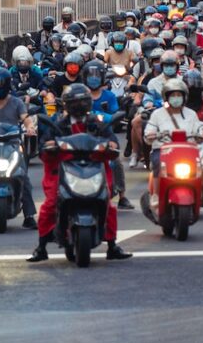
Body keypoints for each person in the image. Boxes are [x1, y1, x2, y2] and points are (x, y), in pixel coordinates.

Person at [27, 84, 132, 263]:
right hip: (64, 168)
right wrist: (49, 145)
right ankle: (41, 246)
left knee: (107, 204)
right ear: (66, 105)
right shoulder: (58, 123)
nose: (78, 106)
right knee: (51, 204)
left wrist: (112, 145)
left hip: (93, 167)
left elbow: (112, 141)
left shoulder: (96, 122)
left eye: (82, 102)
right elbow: (44, 145)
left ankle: (112, 245)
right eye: (74, 103)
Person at [0, 67, 37, 229]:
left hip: (13, 145)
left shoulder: (16, 102)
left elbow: (26, 118)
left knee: (23, 176)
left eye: (1, 83)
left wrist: (30, 127)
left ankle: (29, 215)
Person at [144, 79, 203, 178]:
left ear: (184, 97)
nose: (176, 98)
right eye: (173, 95)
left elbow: (198, 127)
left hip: (187, 150)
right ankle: (157, 193)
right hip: (163, 150)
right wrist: (151, 135)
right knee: (158, 164)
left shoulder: (191, 114)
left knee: (201, 168)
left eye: (179, 95)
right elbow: (149, 130)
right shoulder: (157, 114)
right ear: (166, 97)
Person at [84, 60, 132, 210]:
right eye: (90, 76)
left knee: (116, 161)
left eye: (97, 75)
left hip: (105, 134)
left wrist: (102, 116)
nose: (94, 78)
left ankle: (122, 196)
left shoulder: (109, 96)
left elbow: (115, 114)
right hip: (84, 134)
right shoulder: (81, 94)